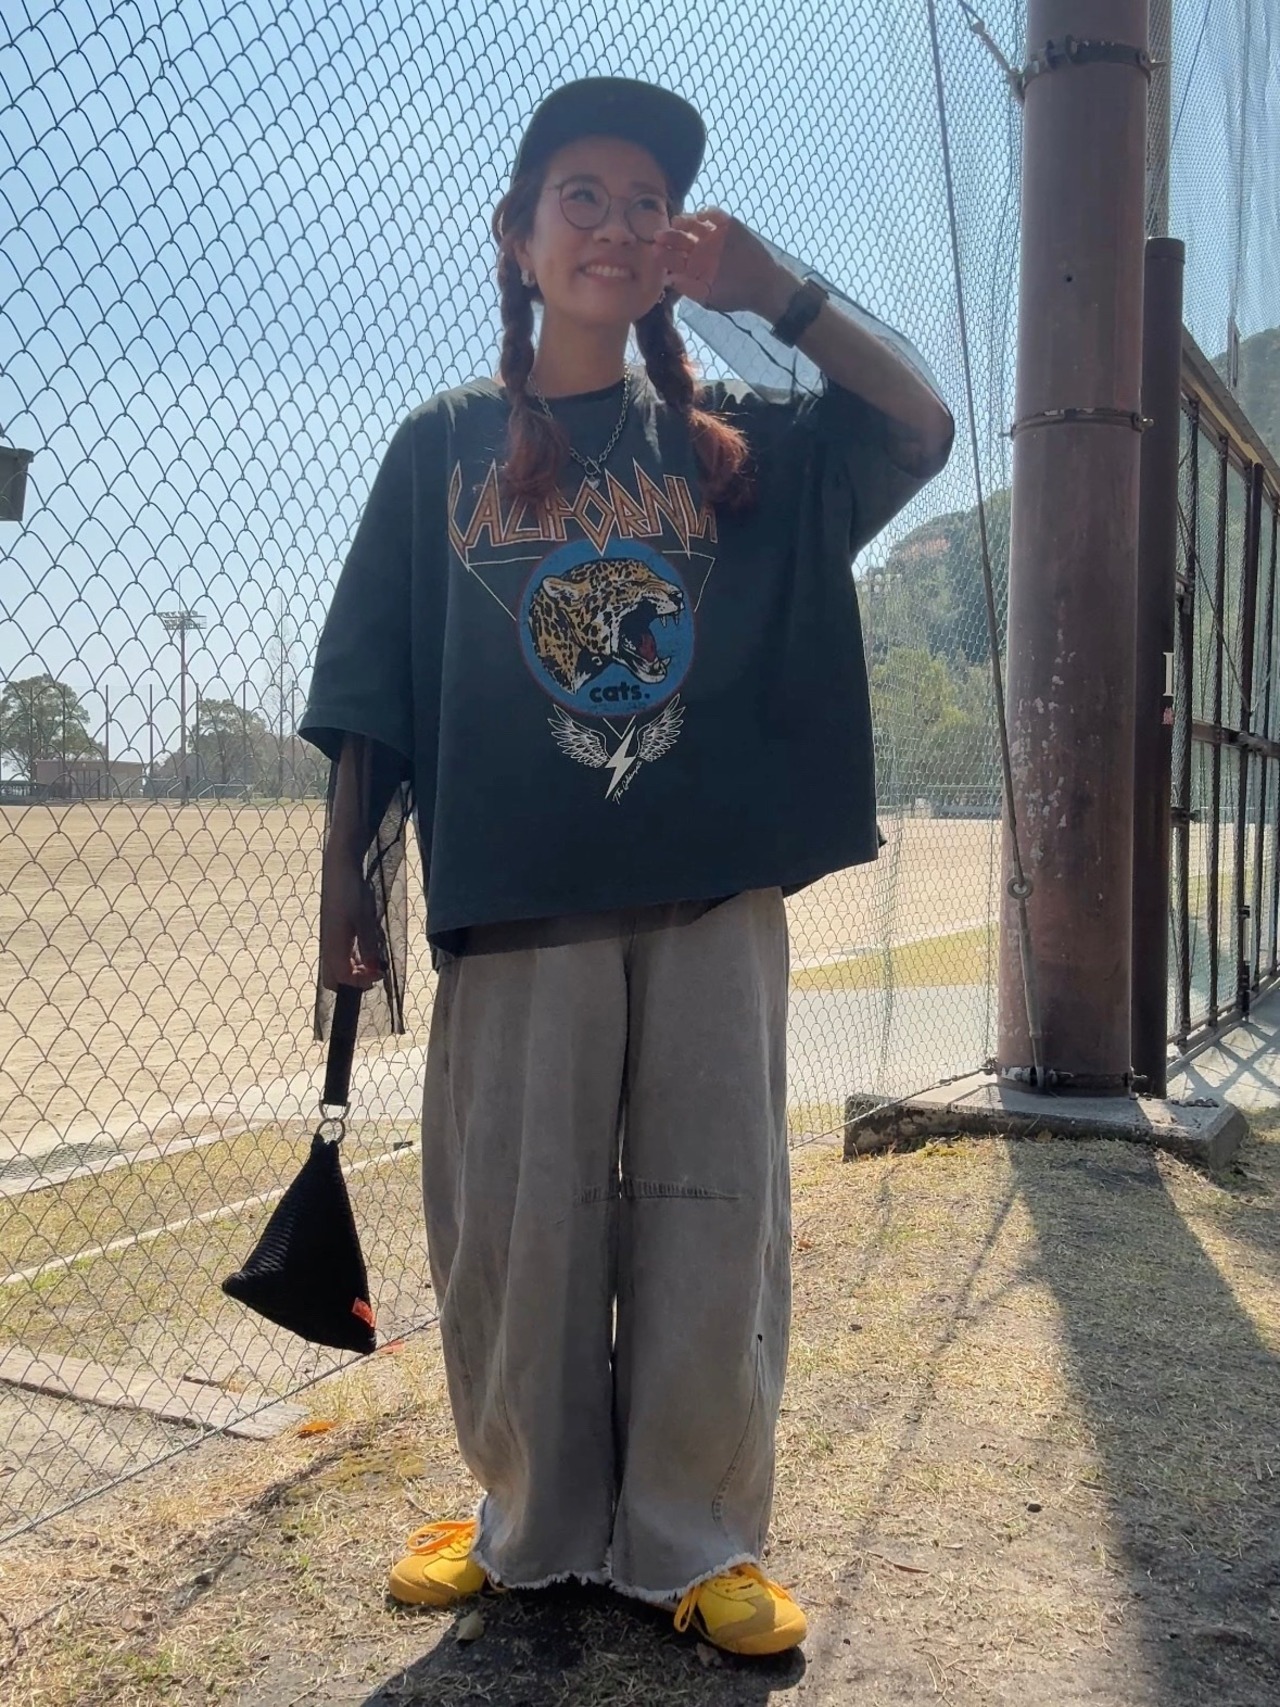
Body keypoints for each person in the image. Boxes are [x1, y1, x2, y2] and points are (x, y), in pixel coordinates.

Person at [300, 77, 953, 1658]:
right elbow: (371, 691)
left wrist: (777, 290)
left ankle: (693, 1537)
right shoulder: (439, 447)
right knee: (517, 1226)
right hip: (517, 897)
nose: (613, 222)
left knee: (713, 1212)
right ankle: (529, 1524)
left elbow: (919, 425)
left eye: (645, 200)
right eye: (578, 195)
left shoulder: (739, 446)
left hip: (709, 893)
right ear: (518, 237)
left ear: (676, 245)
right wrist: (343, 899)